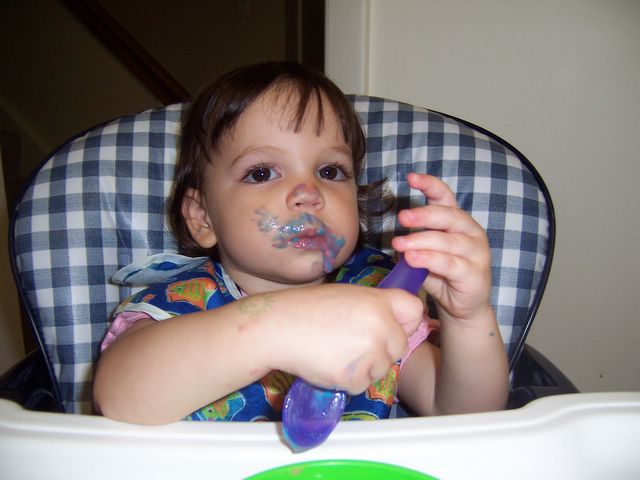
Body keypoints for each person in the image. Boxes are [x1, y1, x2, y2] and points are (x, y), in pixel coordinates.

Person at [93, 61, 508, 425]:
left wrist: (467, 318)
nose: (308, 192)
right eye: (261, 173)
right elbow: (119, 397)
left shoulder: (379, 301)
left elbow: (463, 415)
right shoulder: (177, 305)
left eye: (330, 171)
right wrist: (268, 328)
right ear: (203, 218)